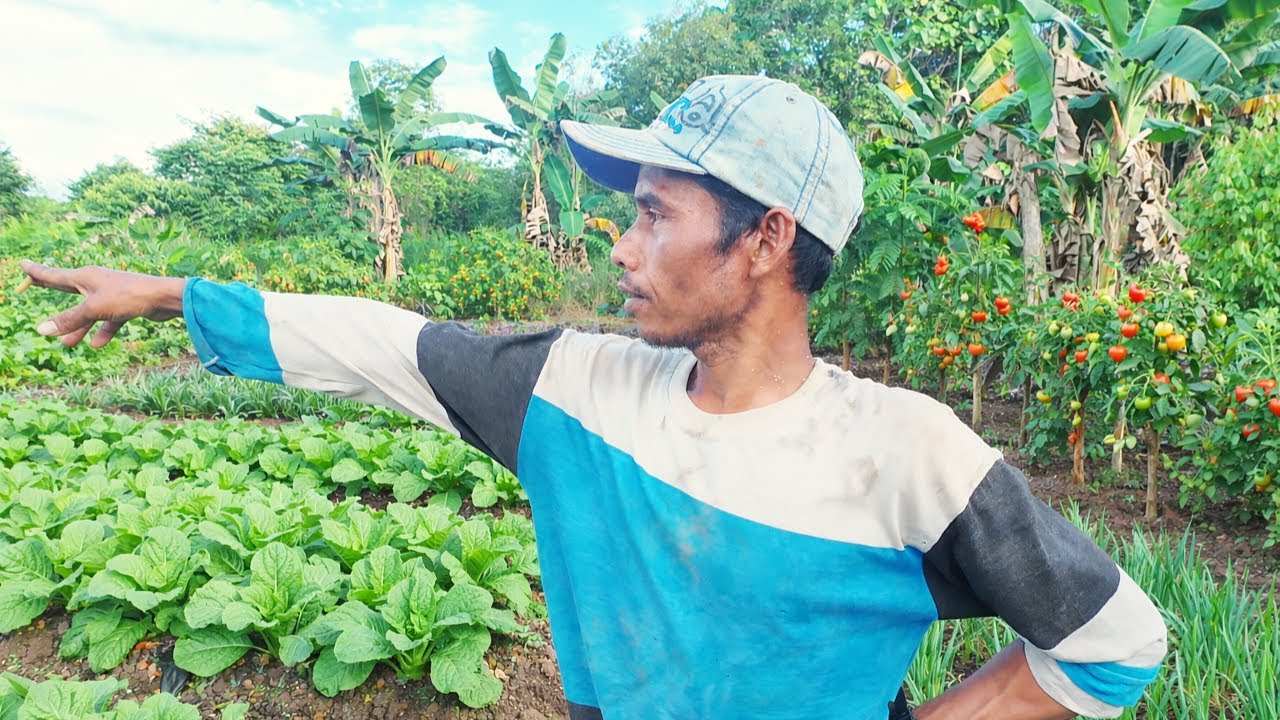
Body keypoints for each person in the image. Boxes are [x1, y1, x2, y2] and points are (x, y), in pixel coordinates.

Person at [21, 75, 1166, 720]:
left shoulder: (904, 454)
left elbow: (1112, 641)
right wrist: (173, 293)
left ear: (766, 238)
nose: (620, 249)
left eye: (655, 215)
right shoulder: (575, 388)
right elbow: (384, 341)